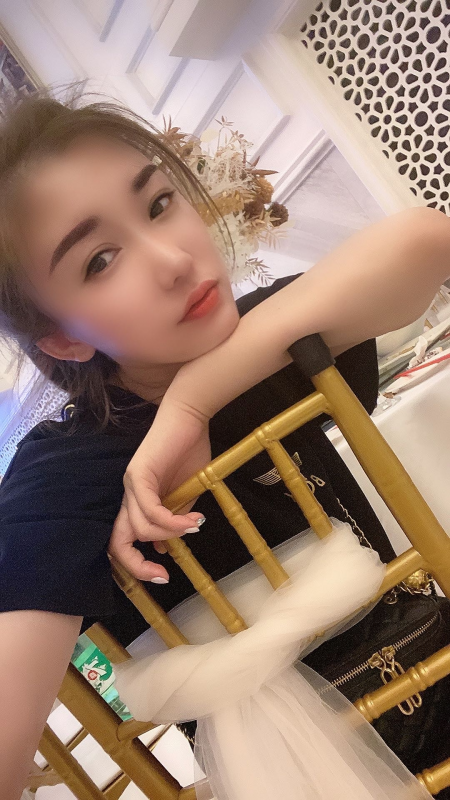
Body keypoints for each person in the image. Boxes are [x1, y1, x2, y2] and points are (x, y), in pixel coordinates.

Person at [0, 94, 449, 800]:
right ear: (62, 338)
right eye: (100, 260)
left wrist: (193, 399)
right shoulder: (66, 472)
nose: (173, 260)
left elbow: (426, 239)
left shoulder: (261, 336)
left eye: (159, 204)